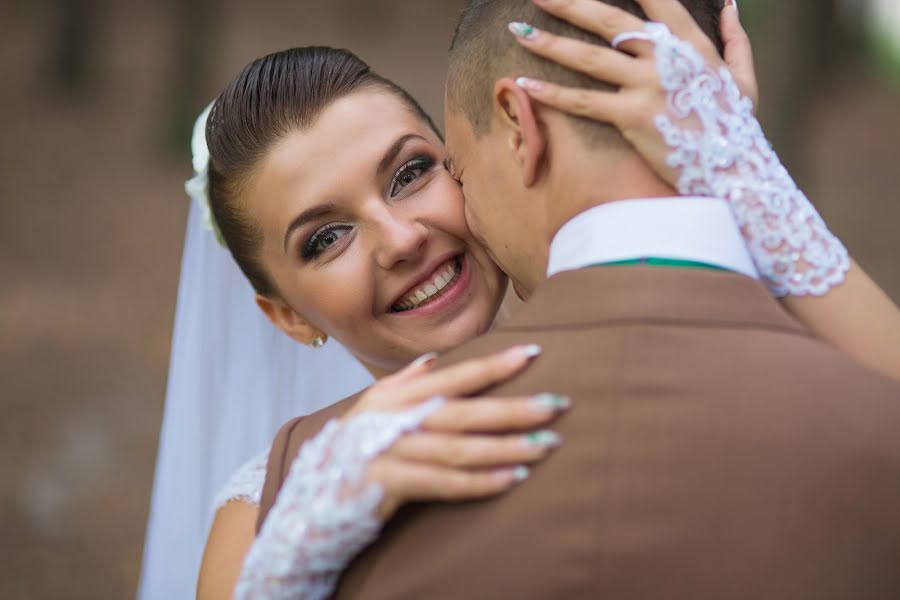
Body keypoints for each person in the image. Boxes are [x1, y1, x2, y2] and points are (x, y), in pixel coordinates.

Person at [244, 0, 900, 598]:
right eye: (325, 237)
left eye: (433, 171)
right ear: (284, 314)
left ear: (519, 125)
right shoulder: (865, 400)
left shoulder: (312, 480)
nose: (404, 239)